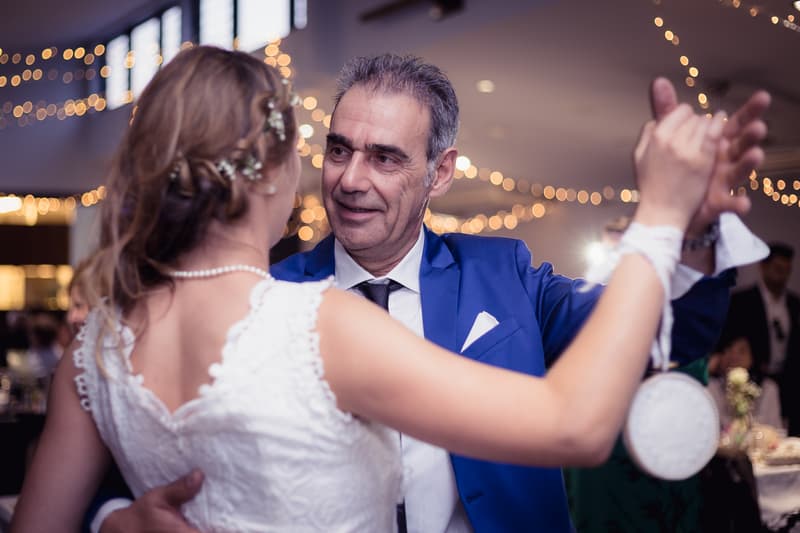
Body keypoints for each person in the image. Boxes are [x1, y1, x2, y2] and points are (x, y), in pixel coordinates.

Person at [9, 45, 742, 533]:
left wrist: (695, 234)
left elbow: (659, 331)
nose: (351, 180)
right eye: (337, 150)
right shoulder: (299, 308)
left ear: (440, 172)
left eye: (386, 158)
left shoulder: (504, 272)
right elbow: (574, 421)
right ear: (281, 168)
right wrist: (658, 212)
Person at [725, 242, 800, 435]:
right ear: (763, 267)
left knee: (787, 432)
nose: (782, 275)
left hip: (789, 380)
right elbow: (732, 342)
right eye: (777, 268)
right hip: (754, 378)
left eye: (786, 270)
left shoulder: (794, 304)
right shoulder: (742, 301)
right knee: (754, 427)